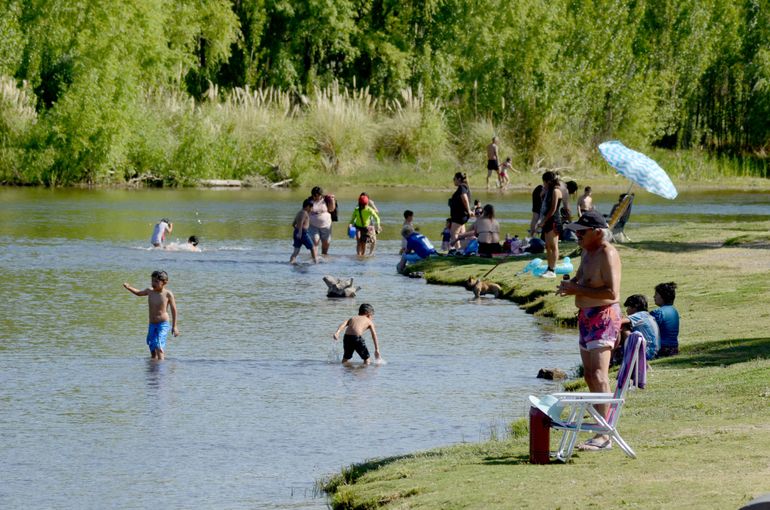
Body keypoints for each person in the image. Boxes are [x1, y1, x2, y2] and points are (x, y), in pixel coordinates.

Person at [558, 210, 621, 451]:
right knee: (587, 375)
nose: (577, 235)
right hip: (585, 318)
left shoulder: (608, 253)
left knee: (598, 375)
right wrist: (570, 286)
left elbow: (612, 294)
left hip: (603, 318)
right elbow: (582, 280)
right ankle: (598, 427)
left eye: (581, 232)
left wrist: (578, 291)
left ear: (597, 232)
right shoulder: (586, 251)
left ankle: (604, 435)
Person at [123, 270, 179, 360]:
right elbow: (138, 293)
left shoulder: (168, 294)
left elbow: (174, 310)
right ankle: (153, 364)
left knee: (158, 344)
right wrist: (129, 287)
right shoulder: (150, 291)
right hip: (152, 324)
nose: (153, 283)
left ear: (164, 282)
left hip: (163, 324)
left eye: (156, 281)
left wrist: (174, 326)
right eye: (152, 281)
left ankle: (161, 368)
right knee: (151, 344)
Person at [535, 171, 563, 278]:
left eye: (544, 182)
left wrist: (543, 221)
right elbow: (544, 206)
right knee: (547, 246)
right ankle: (549, 268)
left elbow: (553, 209)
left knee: (553, 246)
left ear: (549, 181)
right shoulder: (548, 191)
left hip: (553, 221)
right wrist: (542, 195)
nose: (544, 184)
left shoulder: (556, 191)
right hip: (547, 221)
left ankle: (553, 269)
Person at [618, 294, 660, 363]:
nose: (627, 310)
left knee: (624, 326)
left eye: (628, 307)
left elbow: (619, 322)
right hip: (655, 351)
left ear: (635, 306)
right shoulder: (647, 315)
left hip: (646, 353)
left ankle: (628, 353)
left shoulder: (639, 315)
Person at [651, 282, 680, 357]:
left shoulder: (658, 312)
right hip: (674, 348)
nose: (654, 296)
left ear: (663, 296)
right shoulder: (674, 311)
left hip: (662, 349)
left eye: (656, 294)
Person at [448, 172, 472, 253]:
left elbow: (465, 199)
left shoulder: (462, 187)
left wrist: (468, 210)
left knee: (454, 233)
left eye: (454, 179)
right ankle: (463, 250)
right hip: (460, 215)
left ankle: (458, 251)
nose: (453, 181)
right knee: (462, 234)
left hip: (459, 216)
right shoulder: (464, 187)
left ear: (458, 179)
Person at [308, 186, 336, 256]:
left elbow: (331, 209)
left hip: (326, 225)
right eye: (314, 195)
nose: (315, 197)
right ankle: (314, 257)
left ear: (321, 195)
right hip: (313, 225)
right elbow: (305, 212)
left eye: (317, 195)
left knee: (326, 242)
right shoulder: (309, 200)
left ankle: (324, 255)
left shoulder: (326, 199)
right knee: (315, 240)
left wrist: (332, 200)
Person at [290, 199, 318, 264]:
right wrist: (300, 233)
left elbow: (293, 224)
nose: (312, 209)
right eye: (311, 207)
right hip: (303, 233)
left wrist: (297, 231)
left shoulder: (299, 212)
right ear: (308, 206)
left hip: (298, 232)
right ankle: (315, 262)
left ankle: (291, 262)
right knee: (312, 247)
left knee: (296, 250)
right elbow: (300, 222)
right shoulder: (304, 213)